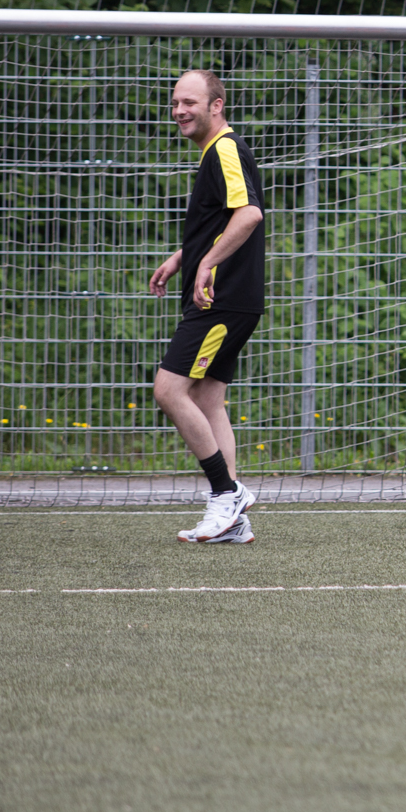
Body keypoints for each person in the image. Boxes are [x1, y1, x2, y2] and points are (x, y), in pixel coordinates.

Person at [147, 69, 267, 544]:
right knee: (207, 398)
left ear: (217, 105)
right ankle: (232, 522)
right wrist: (184, 257)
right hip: (232, 298)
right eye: (175, 103)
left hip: (222, 299)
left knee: (169, 389)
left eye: (190, 102)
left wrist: (208, 264)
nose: (179, 111)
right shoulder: (215, 153)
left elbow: (249, 213)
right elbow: (223, 219)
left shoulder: (224, 148)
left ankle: (227, 493)